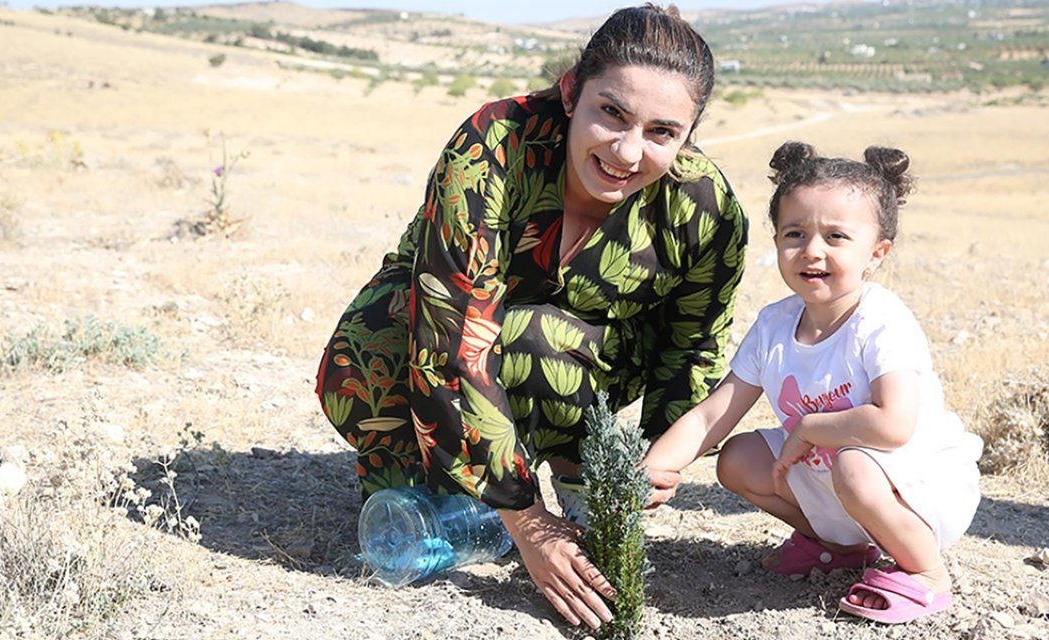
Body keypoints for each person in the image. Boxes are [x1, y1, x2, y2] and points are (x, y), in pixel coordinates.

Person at [315, 4, 748, 630]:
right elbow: (450, 331)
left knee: (540, 337)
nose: (628, 152)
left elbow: (693, 349)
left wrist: (650, 468)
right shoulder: (494, 145)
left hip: (584, 375)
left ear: (689, 135)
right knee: (373, 376)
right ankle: (478, 500)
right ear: (572, 91)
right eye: (612, 113)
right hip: (438, 354)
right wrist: (525, 518)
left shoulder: (703, 207)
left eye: (662, 132)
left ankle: (574, 483)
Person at [643, 141, 982, 624]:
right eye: (795, 233)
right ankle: (840, 548)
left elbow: (892, 427)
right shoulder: (775, 325)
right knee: (738, 459)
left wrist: (808, 429)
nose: (812, 251)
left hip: (919, 488)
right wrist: (653, 470)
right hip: (840, 479)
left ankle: (926, 573)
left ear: (877, 252)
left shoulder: (881, 321)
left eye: (837, 237)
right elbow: (711, 415)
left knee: (855, 465)